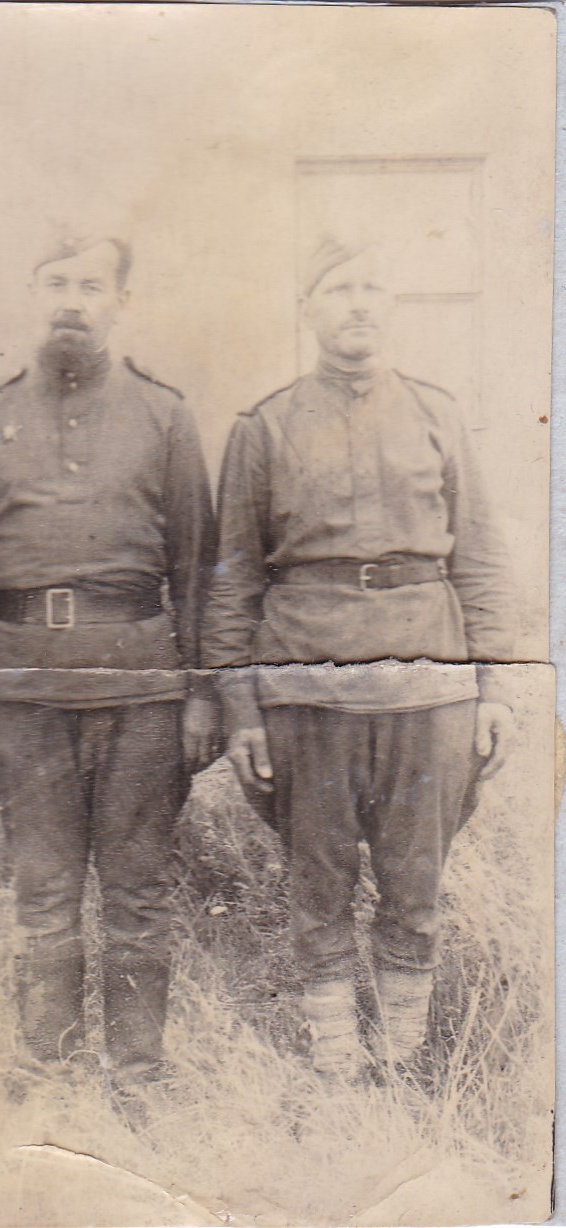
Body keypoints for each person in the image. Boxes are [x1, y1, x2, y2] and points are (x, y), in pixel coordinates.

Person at [202, 236, 516, 1081]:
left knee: (416, 880)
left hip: (428, 686)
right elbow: (233, 581)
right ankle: (336, 1056)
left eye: (374, 287)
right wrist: (240, 710)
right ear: (308, 309)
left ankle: (405, 1055)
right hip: (307, 686)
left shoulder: (437, 414)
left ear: (392, 305)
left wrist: (496, 688)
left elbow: (482, 560)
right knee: (320, 881)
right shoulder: (265, 426)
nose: (359, 304)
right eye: (339, 288)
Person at [0, 233, 217, 1099]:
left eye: (91, 285)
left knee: (137, 894)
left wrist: (202, 695)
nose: (72, 299)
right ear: (33, 295)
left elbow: (197, 570)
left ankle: (138, 1076)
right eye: (56, 282)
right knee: (43, 893)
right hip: (20, 692)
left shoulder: (164, 416)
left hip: (140, 688)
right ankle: (50, 1075)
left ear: (120, 302)